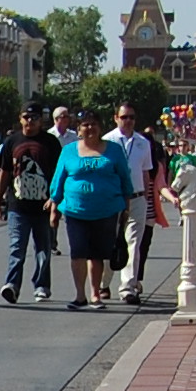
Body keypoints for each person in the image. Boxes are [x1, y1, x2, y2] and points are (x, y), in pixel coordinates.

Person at [52, 110, 132, 310]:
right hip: (75, 210)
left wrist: (126, 206)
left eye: (94, 124)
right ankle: (80, 296)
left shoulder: (114, 150)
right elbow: (59, 179)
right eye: (85, 125)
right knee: (78, 252)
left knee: (97, 254)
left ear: (100, 127)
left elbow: (125, 178)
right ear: (78, 129)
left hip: (106, 210)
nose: (90, 128)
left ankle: (95, 294)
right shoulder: (69, 151)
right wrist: (54, 205)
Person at [0, 109, 59, 304]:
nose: (30, 121)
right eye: (26, 117)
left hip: (43, 206)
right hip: (18, 205)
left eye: (34, 118)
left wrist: (56, 200)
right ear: (20, 119)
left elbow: (59, 174)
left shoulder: (50, 142)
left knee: (43, 248)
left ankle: (41, 286)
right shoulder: (11, 141)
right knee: (17, 247)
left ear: (41, 120)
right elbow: (5, 172)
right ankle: (12, 285)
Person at [109, 102, 160, 304]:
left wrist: (146, 197)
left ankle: (128, 287)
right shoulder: (108, 141)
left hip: (137, 197)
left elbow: (146, 172)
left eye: (131, 117)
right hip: (113, 198)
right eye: (124, 117)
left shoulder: (142, 142)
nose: (128, 121)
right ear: (116, 118)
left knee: (134, 243)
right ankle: (104, 282)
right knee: (110, 241)